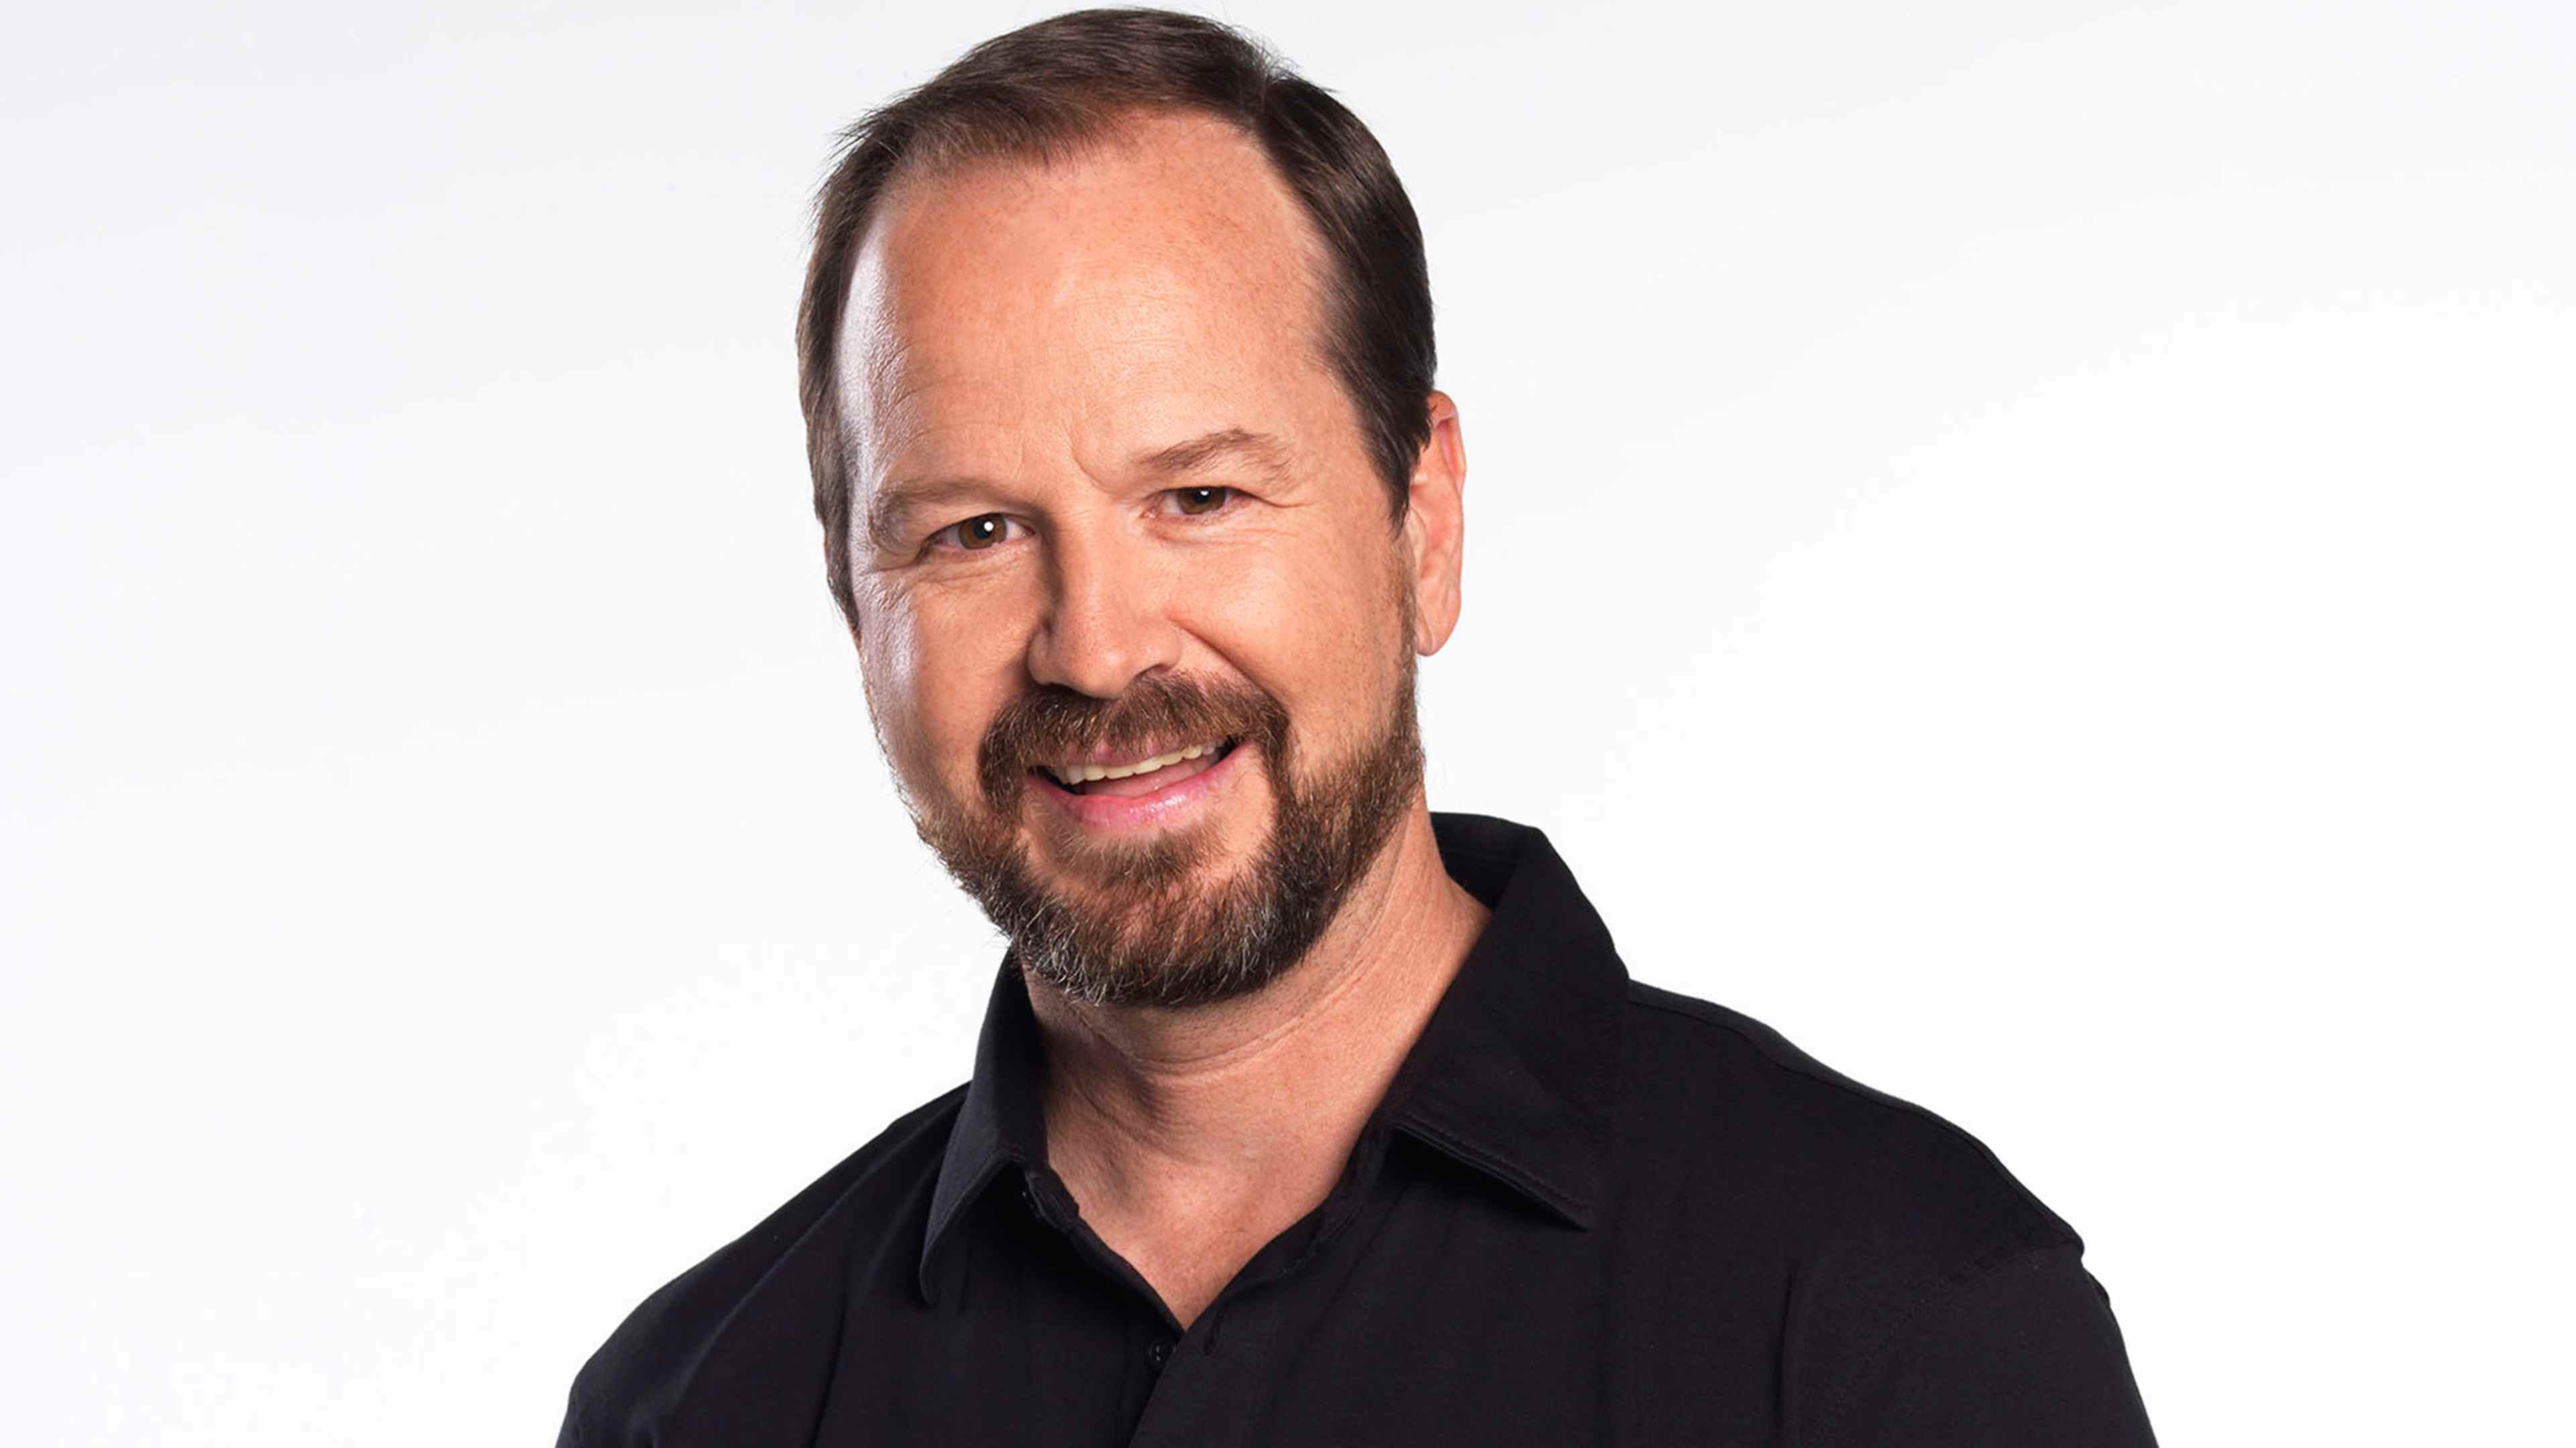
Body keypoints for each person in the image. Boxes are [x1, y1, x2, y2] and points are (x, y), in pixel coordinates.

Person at [555, 9, 2159, 1444]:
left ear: (1424, 521)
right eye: (972, 532)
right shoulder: (696, 1406)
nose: (1099, 651)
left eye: (1199, 496)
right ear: (855, 599)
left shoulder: (1898, 1328)